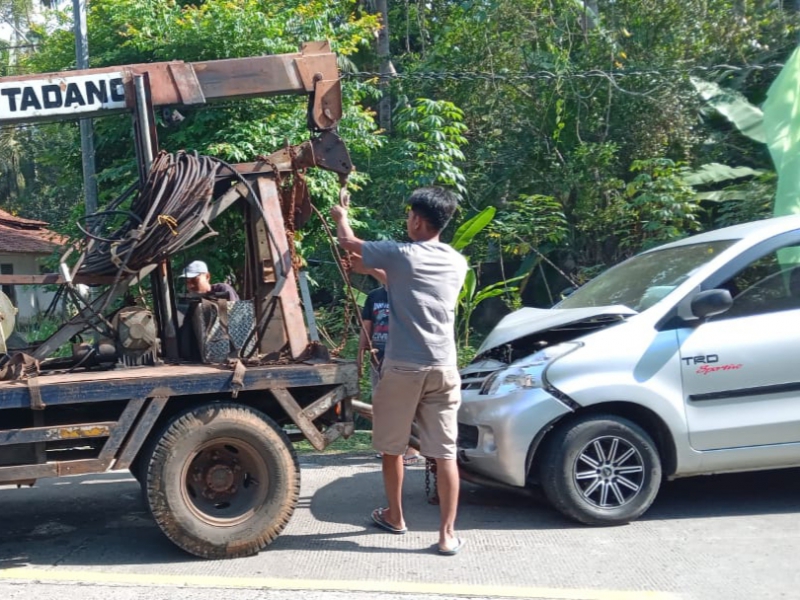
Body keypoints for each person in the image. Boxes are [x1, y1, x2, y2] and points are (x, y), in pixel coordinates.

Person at [331, 186, 468, 556]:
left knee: (392, 449)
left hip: (403, 367)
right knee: (444, 454)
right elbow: (410, 286)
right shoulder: (457, 262)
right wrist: (372, 270)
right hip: (443, 367)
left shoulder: (401, 252)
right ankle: (447, 535)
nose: (407, 221)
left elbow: (348, 242)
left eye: (410, 216)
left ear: (418, 220)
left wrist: (341, 216)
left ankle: (395, 516)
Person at [359, 282, 422, 466]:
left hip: (404, 358)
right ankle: (388, 445)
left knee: (409, 403)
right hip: (378, 358)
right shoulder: (374, 296)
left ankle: (412, 447)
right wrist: (360, 356)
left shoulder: (409, 293)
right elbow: (366, 327)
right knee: (382, 403)